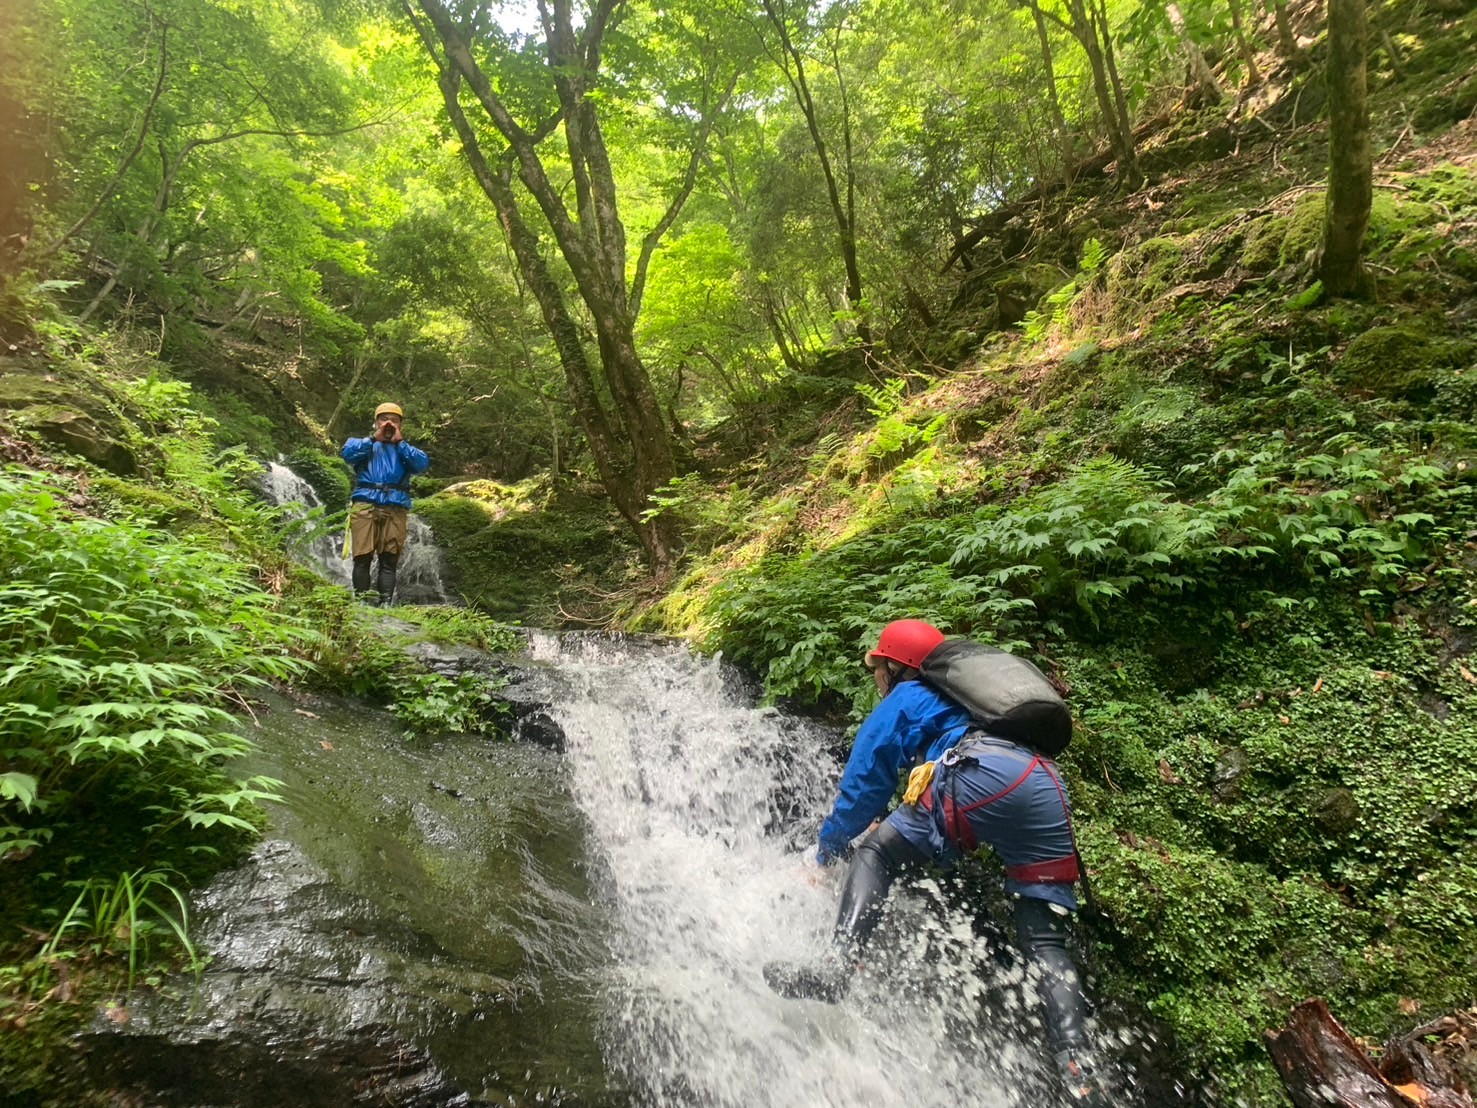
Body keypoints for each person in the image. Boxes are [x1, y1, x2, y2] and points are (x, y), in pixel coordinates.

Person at [766, 619, 1107, 1107]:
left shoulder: (909, 698)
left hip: (979, 771)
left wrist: (823, 857)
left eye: (878, 668)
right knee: (1046, 941)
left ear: (895, 666)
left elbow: (865, 787)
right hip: (1044, 785)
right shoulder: (980, 704)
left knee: (877, 852)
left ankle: (838, 965)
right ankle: (1079, 1067)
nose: (876, 678)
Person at [340, 402, 430, 606]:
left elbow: (422, 464)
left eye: (394, 420)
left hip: (396, 506)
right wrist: (373, 439)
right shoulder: (362, 443)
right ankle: (361, 603)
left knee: (389, 560)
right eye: (383, 419)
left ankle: (385, 604)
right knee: (362, 557)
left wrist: (401, 443)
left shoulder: (405, 449)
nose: (388, 423)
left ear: (400, 425)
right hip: (365, 505)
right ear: (375, 422)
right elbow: (347, 455)